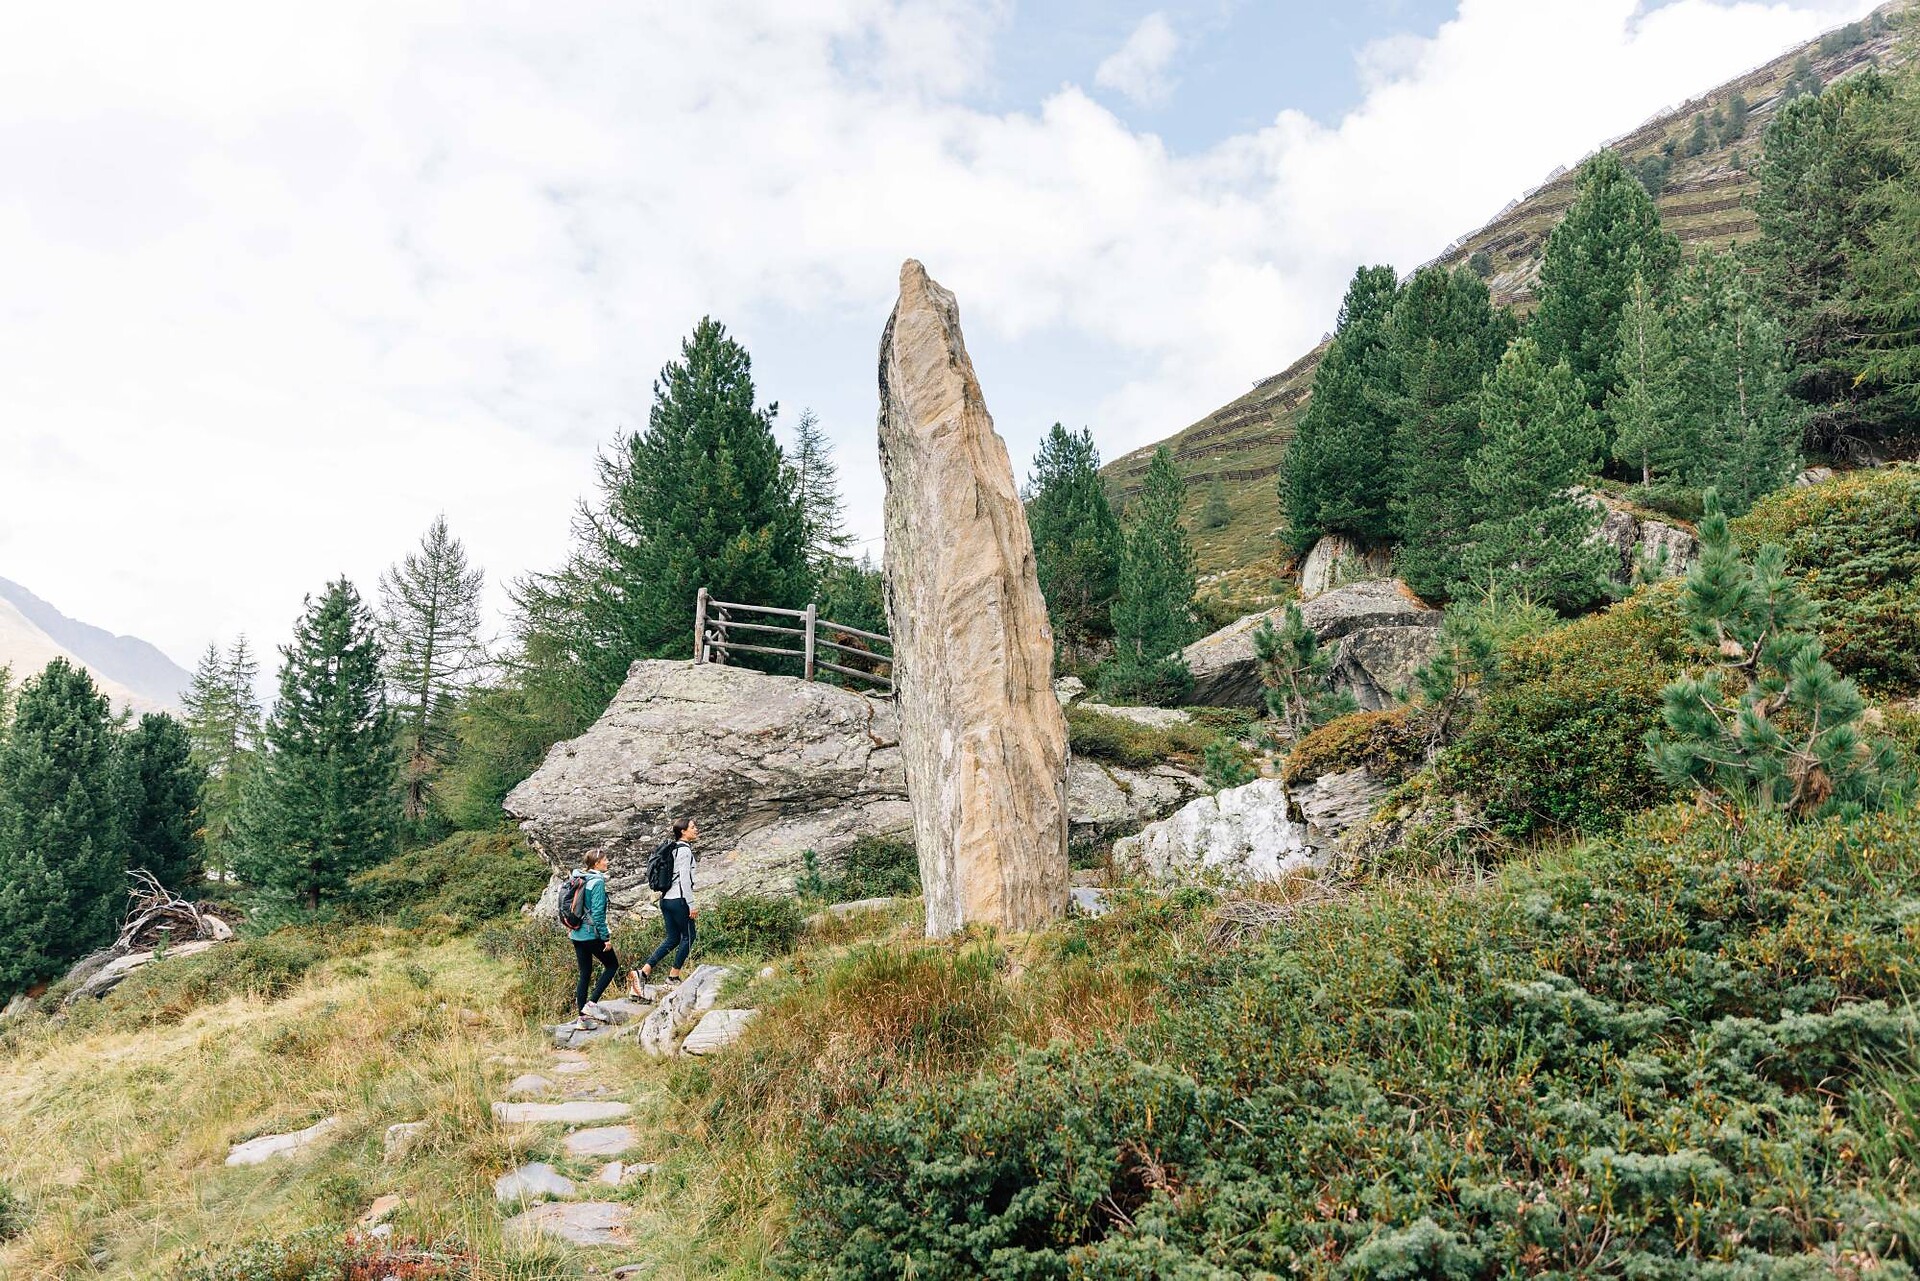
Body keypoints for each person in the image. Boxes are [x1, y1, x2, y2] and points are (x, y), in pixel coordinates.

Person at [632, 818, 698, 993]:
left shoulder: (672, 849)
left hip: (666, 899)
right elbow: (685, 879)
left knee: (672, 938)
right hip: (679, 900)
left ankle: (643, 972)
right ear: (683, 831)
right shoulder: (684, 851)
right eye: (692, 827)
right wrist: (691, 904)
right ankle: (673, 977)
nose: (696, 829)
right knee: (689, 936)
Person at [568, 849, 619, 1026]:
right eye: (605, 859)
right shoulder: (597, 882)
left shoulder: (580, 877)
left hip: (576, 934)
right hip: (591, 934)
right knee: (612, 965)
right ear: (596, 863)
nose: (607, 862)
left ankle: (582, 1019)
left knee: (584, 974)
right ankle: (591, 1004)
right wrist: (606, 938)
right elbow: (597, 914)